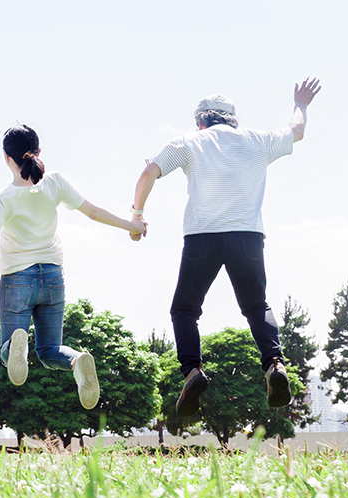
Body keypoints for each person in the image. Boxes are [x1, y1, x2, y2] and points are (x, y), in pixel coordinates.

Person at [131, 78, 322, 417]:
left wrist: (138, 215)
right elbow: (297, 130)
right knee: (256, 306)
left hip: (202, 236)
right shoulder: (259, 140)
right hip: (247, 236)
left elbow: (148, 172)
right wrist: (301, 102)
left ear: (200, 120)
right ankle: (274, 364)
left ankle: (192, 372)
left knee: (184, 310)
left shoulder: (189, 141)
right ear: (233, 119)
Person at [0, 125, 146, 410]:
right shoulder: (55, 182)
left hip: (17, 279)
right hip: (52, 277)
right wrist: (130, 224)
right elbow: (93, 212)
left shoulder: (2, 197)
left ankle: (15, 346)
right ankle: (75, 361)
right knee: (49, 350)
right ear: (38, 152)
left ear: (5, 157)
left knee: (7, 352)